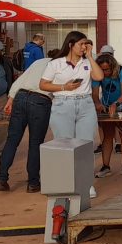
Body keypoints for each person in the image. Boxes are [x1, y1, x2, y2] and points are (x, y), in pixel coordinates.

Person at [39, 31, 103, 198]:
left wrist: (90, 56)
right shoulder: (56, 64)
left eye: (85, 44)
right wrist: (63, 87)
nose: (84, 47)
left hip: (85, 104)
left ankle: (86, 184)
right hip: (63, 104)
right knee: (64, 145)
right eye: (81, 44)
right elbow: (43, 85)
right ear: (70, 45)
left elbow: (99, 76)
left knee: (86, 145)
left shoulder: (87, 62)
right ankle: (66, 184)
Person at [0, 49, 60, 192]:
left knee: (12, 140)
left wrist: (11, 99)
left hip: (21, 97)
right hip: (40, 101)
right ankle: (33, 183)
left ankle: (1, 179)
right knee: (35, 143)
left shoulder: (39, 62)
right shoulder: (61, 67)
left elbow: (20, 81)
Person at [93, 53, 122, 177]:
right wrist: (97, 103)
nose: (104, 72)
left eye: (106, 69)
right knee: (107, 135)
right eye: (102, 70)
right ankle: (106, 166)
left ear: (112, 67)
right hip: (106, 104)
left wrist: (116, 104)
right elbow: (95, 94)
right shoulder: (97, 75)